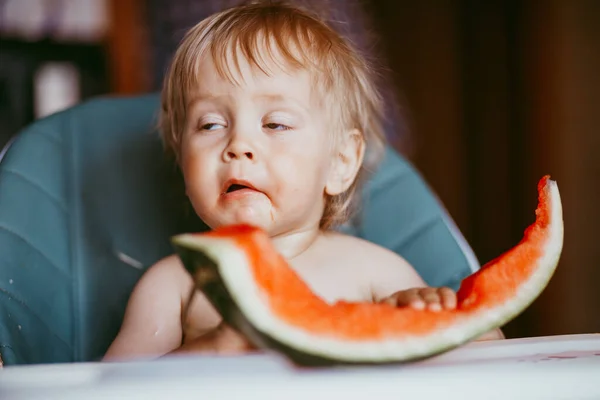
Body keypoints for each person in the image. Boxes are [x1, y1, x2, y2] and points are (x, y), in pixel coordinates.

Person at [103, 0, 502, 361]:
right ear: (182, 162)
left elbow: (489, 348)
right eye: (210, 124)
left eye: (275, 123)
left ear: (340, 163)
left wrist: (430, 312)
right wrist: (211, 348)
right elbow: (112, 388)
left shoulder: (376, 272)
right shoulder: (175, 285)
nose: (238, 144)